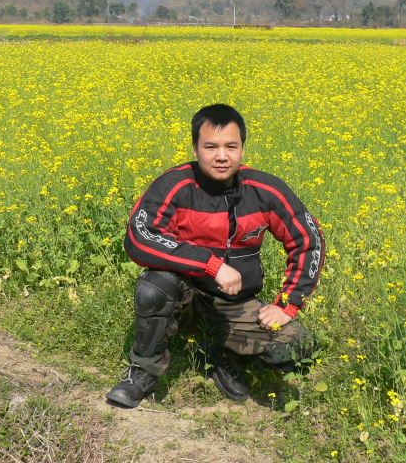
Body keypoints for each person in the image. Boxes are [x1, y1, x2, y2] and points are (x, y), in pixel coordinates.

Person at [106, 104, 325, 408]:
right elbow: (139, 236)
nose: (221, 156)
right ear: (196, 147)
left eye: (230, 147)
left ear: (242, 149)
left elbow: (309, 240)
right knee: (154, 288)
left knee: (301, 346)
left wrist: (287, 304)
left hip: (234, 305)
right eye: (211, 146)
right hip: (183, 298)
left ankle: (222, 350)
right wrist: (211, 265)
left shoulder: (264, 190)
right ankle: (143, 373)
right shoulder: (175, 185)